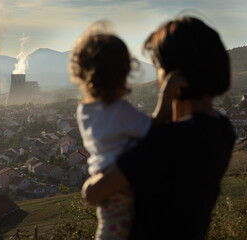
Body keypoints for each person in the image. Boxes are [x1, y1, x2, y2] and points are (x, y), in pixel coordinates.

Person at [82, 16, 236, 239]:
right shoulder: (222, 129)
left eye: (158, 68)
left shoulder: (167, 142)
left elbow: (93, 193)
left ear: (174, 75)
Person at [69, 27, 152, 239]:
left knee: (110, 226)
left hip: (102, 180)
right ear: (123, 74)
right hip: (123, 185)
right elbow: (155, 131)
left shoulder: (84, 111)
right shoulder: (120, 111)